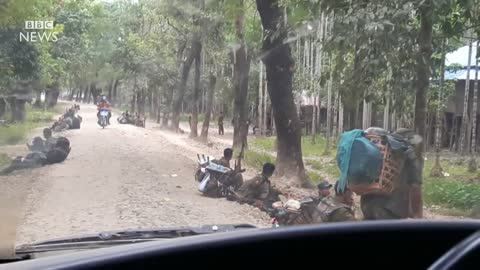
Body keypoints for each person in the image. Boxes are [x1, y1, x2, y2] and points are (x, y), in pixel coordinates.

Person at [359, 128, 423, 220]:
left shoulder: (383, 151)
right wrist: (417, 215)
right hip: (391, 210)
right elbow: (415, 187)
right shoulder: (411, 156)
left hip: (366, 204)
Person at [1, 137, 71, 175]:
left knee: (15, 164)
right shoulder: (62, 152)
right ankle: (5, 169)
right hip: (39, 158)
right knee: (18, 160)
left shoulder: (58, 151)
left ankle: (2, 172)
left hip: (39, 160)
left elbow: (48, 155)